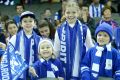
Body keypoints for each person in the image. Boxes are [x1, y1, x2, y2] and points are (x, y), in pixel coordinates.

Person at [54, 1, 94, 80]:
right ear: (64, 13)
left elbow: (90, 48)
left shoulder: (84, 29)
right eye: (68, 12)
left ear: (78, 13)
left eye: (73, 12)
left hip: (80, 66)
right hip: (64, 67)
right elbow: (56, 50)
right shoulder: (59, 29)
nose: (71, 15)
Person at [9, 11, 41, 80]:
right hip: (19, 74)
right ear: (21, 24)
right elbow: (9, 56)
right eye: (25, 21)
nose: (28, 23)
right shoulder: (14, 38)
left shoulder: (39, 39)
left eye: (30, 21)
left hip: (34, 72)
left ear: (34, 23)